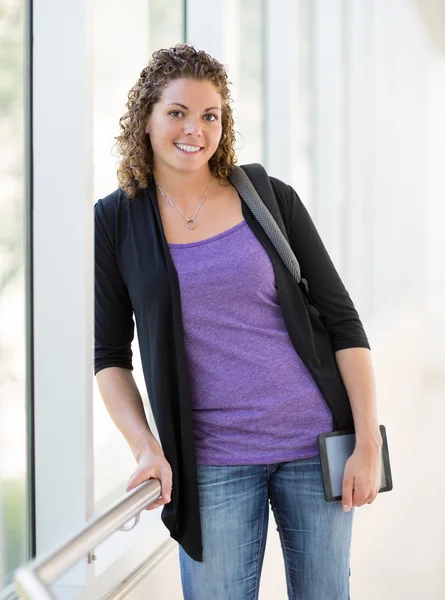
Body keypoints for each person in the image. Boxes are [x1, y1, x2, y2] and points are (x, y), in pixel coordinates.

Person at [94, 43, 383, 600]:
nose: (194, 129)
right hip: (210, 462)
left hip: (311, 442)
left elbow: (344, 324)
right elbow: (109, 355)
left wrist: (366, 442)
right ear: (146, 119)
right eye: (177, 112)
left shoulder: (268, 197)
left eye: (210, 115)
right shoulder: (116, 220)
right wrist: (144, 446)